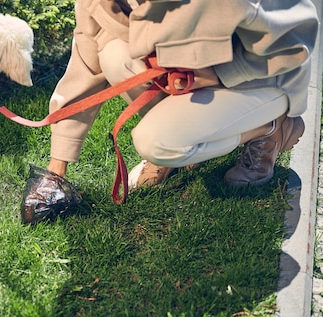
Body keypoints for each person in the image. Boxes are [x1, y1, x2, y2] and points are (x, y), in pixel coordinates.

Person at [21, 0, 320, 225]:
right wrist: (55, 171)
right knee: (113, 54)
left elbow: (296, 34)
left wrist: (219, 73)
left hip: (264, 74)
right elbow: (85, 67)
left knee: (156, 143)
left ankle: (271, 127)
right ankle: (181, 144)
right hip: (194, 70)